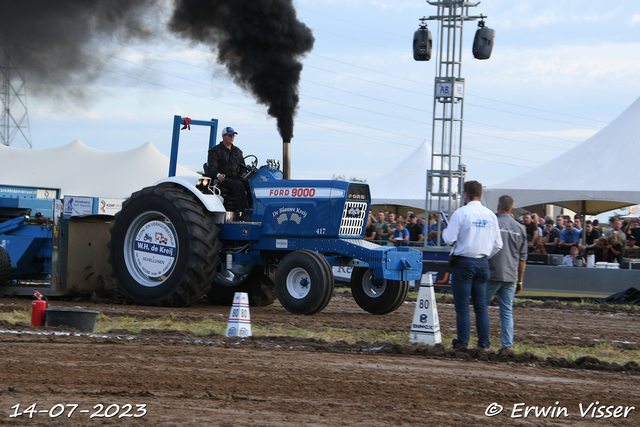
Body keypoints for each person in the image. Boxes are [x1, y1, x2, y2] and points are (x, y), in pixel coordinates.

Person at [442, 181, 503, 350]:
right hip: (483, 263)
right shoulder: (490, 215)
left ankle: (462, 342)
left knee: (462, 307)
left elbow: (449, 239)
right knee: (481, 307)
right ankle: (484, 344)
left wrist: (444, 232)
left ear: (466, 194)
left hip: (464, 263)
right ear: (480, 194)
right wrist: (484, 255)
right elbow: (498, 244)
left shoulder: (461, 213)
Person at [486, 195, 527, 349]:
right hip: (511, 275)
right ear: (512, 209)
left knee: (482, 308)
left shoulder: (492, 224)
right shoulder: (520, 228)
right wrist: (520, 280)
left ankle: (484, 342)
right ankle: (507, 345)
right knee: (506, 312)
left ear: (498, 207)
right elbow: (523, 259)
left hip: (492, 273)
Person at [205, 126, 253, 221]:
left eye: (233, 135)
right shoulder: (215, 151)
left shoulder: (238, 151)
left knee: (250, 184)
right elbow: (212, 168)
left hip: (236, 178)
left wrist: (244, 174)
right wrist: (218, 175)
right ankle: (244, 212)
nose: (232, 137)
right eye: (230, 135)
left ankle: (252, 208)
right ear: (223, 136)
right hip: (222, 180)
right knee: (238, 185)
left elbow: (243, 167)